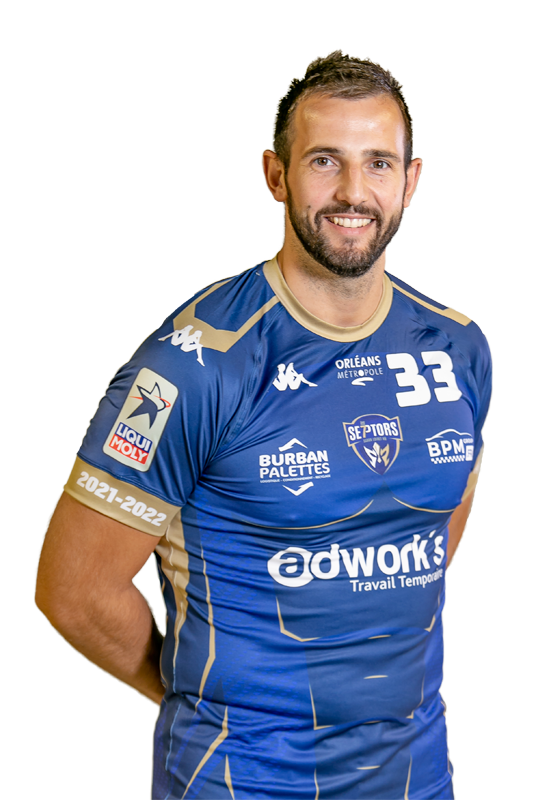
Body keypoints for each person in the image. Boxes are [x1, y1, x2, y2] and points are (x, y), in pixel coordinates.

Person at [35, 52, 492, 799]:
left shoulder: (458, 346)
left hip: (416, 775)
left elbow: (436, 523)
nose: (353, 192)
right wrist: (201, 696)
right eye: (324, 160)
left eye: (378, 163)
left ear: (410, 180)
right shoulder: (192, 366)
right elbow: (75, 591)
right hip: (239, 776)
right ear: (276, 175)